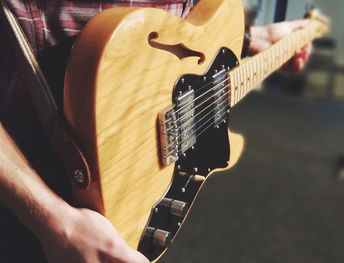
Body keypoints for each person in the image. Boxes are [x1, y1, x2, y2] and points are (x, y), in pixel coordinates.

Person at [0, 0, 311, 262]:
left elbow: (180, 24)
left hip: (138, 192)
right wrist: (52, 219)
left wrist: (251, 37)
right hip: (29, 205)